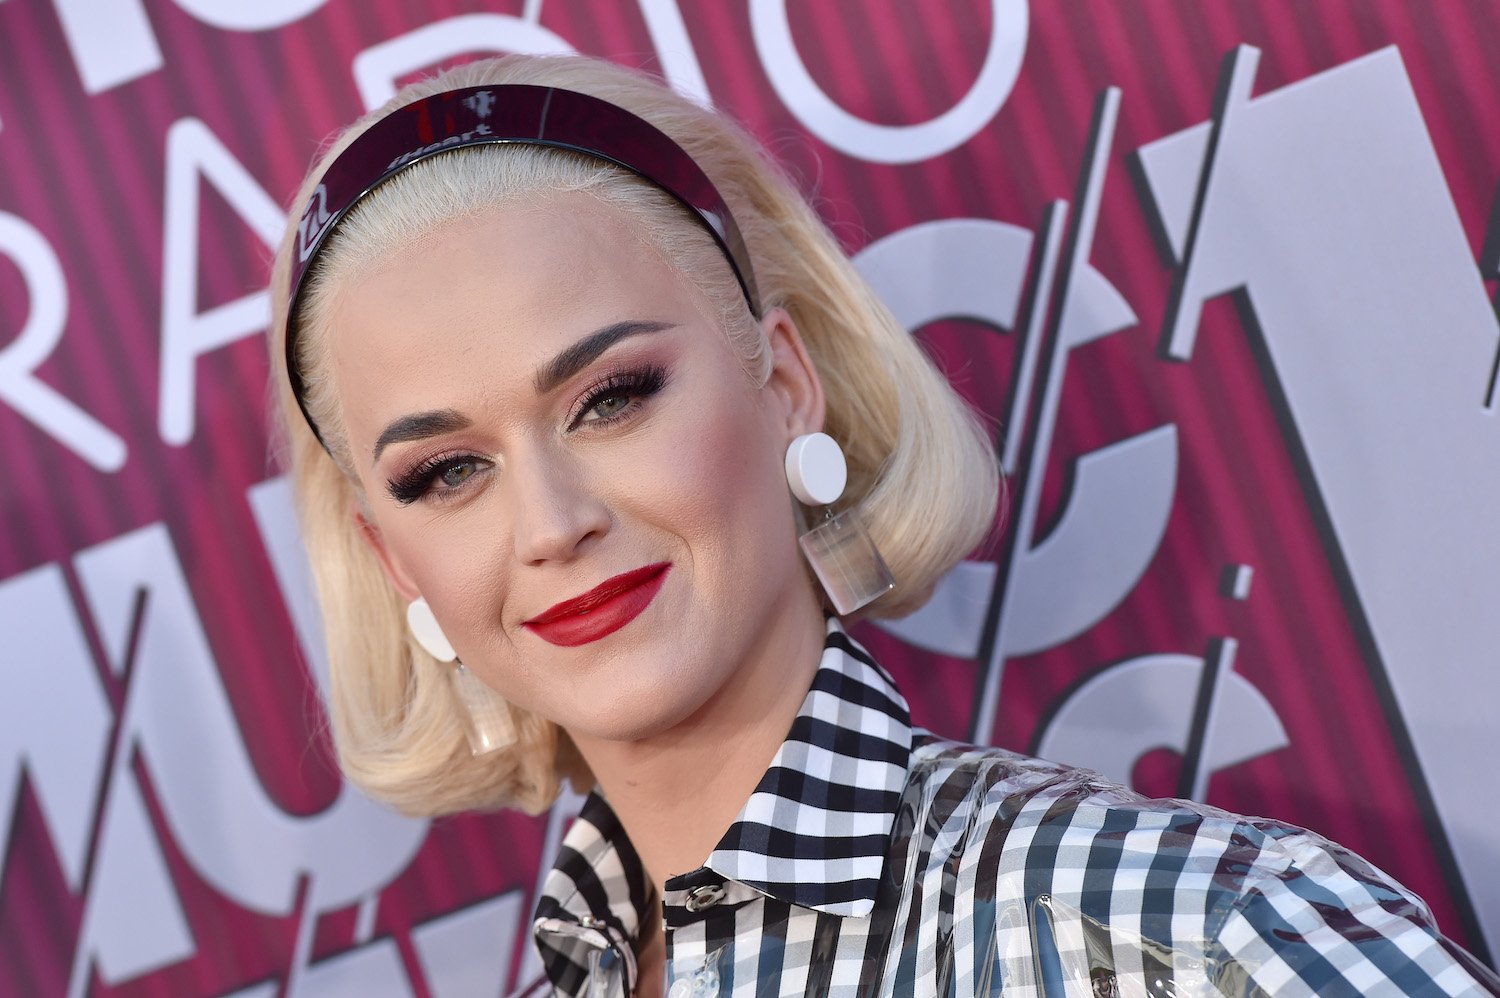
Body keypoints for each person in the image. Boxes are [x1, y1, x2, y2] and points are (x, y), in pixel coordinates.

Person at [267, 54, 1500, 997]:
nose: (552, 522)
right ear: (393, 559)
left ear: (784, 379)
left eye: (611, 397)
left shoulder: (1184, 936)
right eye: (445, 472)